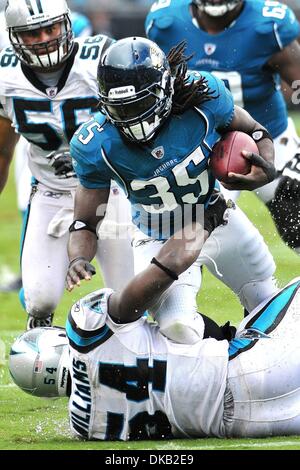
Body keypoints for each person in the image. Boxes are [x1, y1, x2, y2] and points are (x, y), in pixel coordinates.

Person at [9, 212, 300, 440]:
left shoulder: (84, 426)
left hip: (248, 424)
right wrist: (203, 224)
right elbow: (149, 285)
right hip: (248, 370)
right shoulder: (84, 327)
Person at [67, 36, 277, 345]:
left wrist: (265, 168)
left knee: (268, 304)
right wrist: (77, 257)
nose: (134, 118)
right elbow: (85, 220)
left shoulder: (202, 97)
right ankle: (227, 356)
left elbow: (256, 131)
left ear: (165, 88)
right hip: (157, 236)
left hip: (216, 216)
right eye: (122, 109)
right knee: (178, 329)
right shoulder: (96, 145)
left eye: (140, 103)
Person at [0, 0, 134, 329]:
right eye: (33, 33)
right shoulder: (5, 76)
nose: (45, 38)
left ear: (66, 24)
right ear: (15, 37)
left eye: (51, 28)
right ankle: (42, 355)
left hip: (111, 191)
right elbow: (3, 150)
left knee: (130, 295)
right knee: (40, 298)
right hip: (51, 191)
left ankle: (137, 361)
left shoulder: (100, 60)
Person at [145, 0, 300, 253]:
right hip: (202, 145)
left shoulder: (267, 26)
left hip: (269, 134)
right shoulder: (166, 24)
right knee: (192, 234)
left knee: (295, 207)